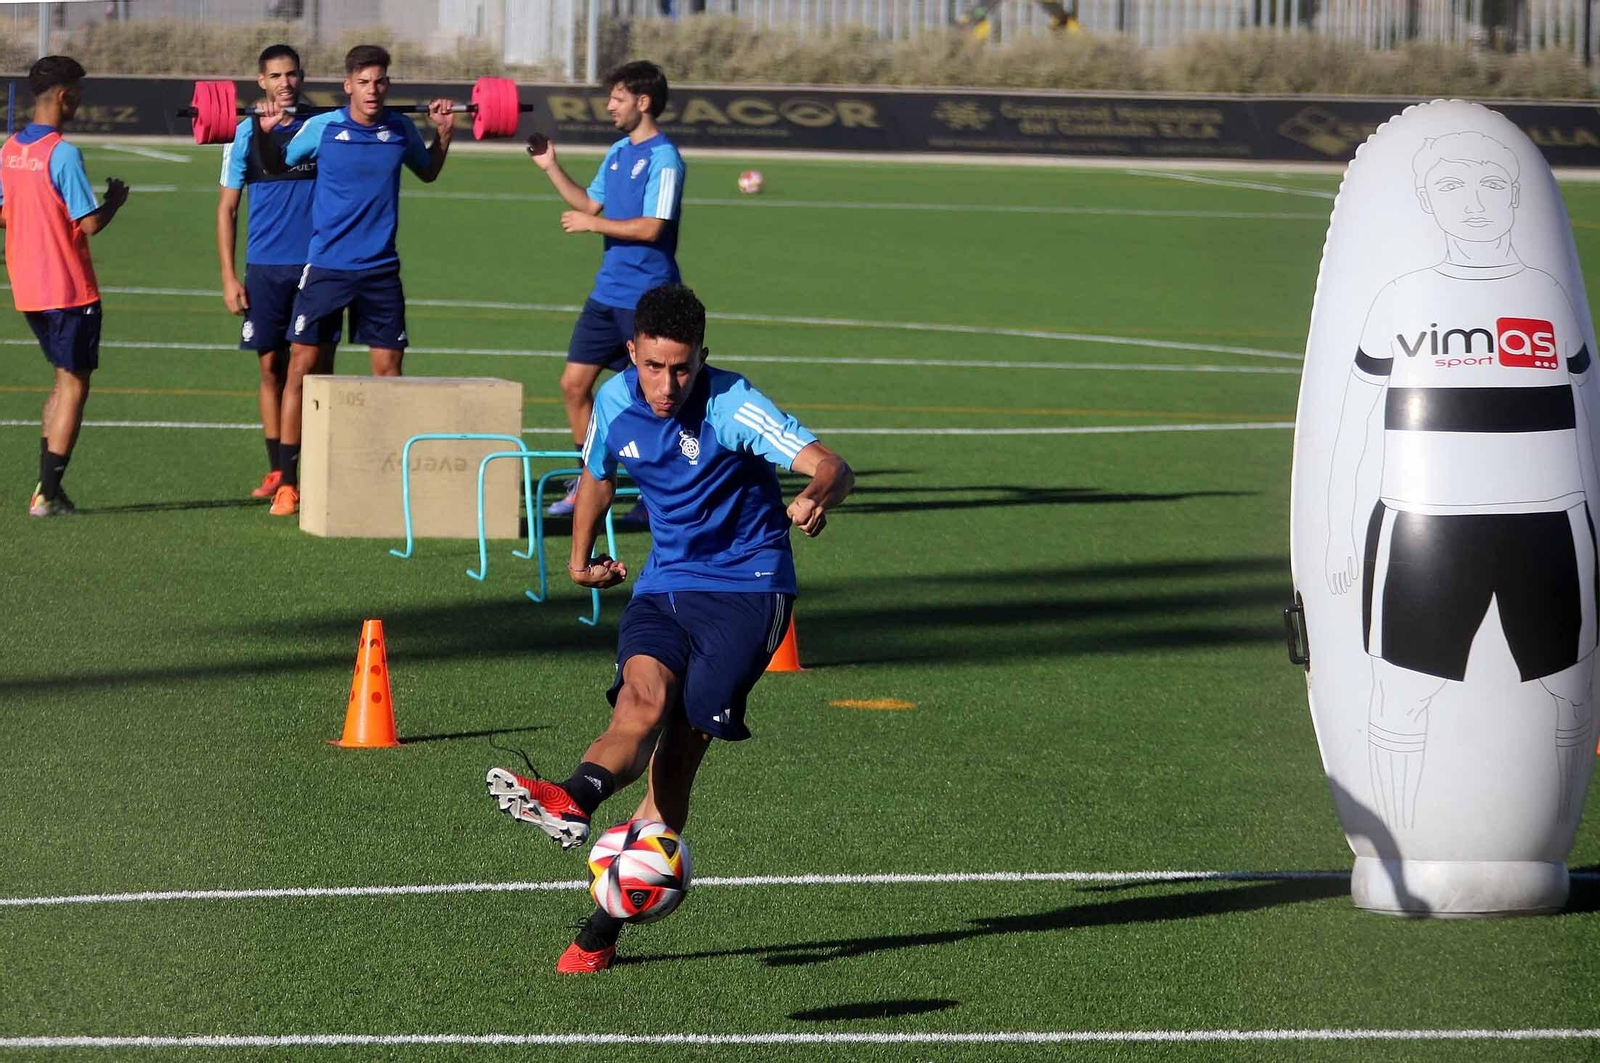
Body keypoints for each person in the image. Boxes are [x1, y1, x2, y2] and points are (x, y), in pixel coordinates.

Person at [485, 284, 855, 973]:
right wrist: (578, 556)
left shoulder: (733, 403)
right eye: (654, 366)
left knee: (677, 753)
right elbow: (598, 473)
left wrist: (813, 494)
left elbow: (833, 463)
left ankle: (601, 928)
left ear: (702, 358)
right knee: (640, 701)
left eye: (681, 367)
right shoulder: (616, 400)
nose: (667, 383)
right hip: (663, 584)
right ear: (631, 353)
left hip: (749, 590)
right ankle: (573, 798)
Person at [252, 44, 454, 517]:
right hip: (326, 269)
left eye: (380, 81)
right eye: (364, 82)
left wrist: (443, 134)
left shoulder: (400, 129)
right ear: (348, 86)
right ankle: (288, 482)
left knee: (389, 374)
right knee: (300, 368)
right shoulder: (322, 127)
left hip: (381, 271)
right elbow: (278, 165)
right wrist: (263, 135)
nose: (373, 90)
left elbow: (427, 173)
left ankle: (382, 477)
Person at [525, 60, 685, 520]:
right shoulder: (617, 152)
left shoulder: (664, 159)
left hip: (648, 299)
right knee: (574, 385)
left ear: (643, 102)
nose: (610, 106)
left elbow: (654, 228)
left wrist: (593, 224)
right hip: (607, 294)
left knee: (657, 400)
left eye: (617, 97)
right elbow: (588, 202)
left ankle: (661, 497)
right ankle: (587, 481)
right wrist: (551, 167)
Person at [0, 55, 128, 517]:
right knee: (74, 385)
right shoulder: (63, 152)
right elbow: (90, 224)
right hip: (69, 289)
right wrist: (114, 200)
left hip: (29, 288)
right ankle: (48, 495)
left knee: (60, 380)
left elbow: (3, 213)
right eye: (77, 92)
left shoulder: (10, 149)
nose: (78, 101)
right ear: (63, 95)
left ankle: (46, 487)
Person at [217, 44, 320, 501]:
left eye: (292, 74)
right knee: (271, 369)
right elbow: (227, 209)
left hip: (317, 268)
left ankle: (311, 470)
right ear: (261, 81)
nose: (285, 83)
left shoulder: (323, 125)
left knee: (315, 370)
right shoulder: (243, 133)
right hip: (263, 267)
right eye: (275, 76)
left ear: (301, 76)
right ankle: (279, 471)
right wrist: (228, 275)